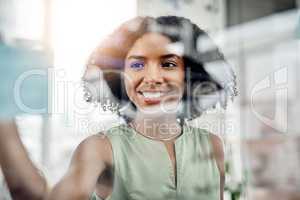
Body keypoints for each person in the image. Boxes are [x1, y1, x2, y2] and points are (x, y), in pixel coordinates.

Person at [0, 15, 237, 200]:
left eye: (168, 63)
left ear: (188, 76)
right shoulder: (100, 149)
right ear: (121, 78)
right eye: (137, 64)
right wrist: (4, 122)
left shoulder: (212, 145)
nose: (152, 77)